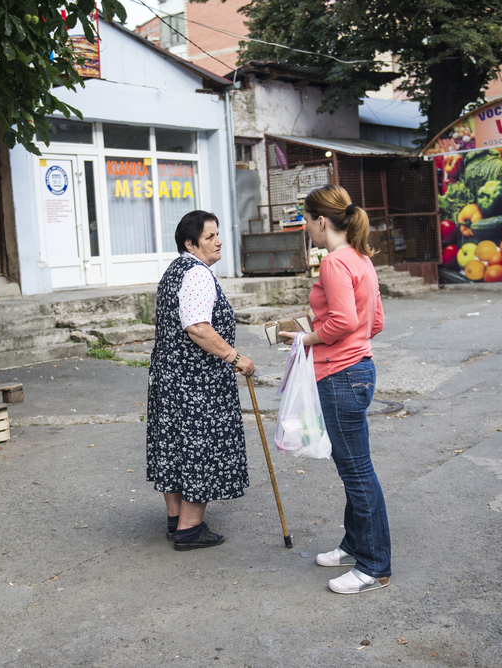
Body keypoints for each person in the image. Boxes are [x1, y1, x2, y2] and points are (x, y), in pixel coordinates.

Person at [279, 184, 391, 594]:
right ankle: (354, 544)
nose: (306, 227)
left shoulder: (333, 262)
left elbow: (342, 322)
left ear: (321, 221)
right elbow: (372, 322)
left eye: (306, 220)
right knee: (353, 468)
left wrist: (303, 339)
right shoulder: (361, 258)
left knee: (357, 472)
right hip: (359, 370)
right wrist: (338, 335)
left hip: (340, 375)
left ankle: (374, 566)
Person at [146, 210, 256, 551]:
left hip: (169, 376)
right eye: (209, 237)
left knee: (174, 446)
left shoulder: (175, 271)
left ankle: (176, 519)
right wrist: (236, 358)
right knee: (200, 447)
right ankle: (190, 529)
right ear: (189, 243)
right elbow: (197, 327)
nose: (218, 240)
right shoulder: (196, 274)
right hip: (196, 382)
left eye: (217, 234)